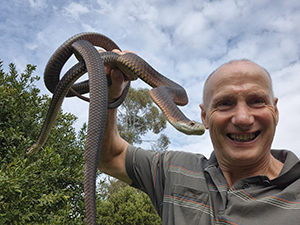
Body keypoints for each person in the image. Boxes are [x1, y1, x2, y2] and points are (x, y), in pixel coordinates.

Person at [98, 49, 300, 224]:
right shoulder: (173, 170)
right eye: (224, 104)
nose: (243, 119)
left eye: (256, 101)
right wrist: (108, 97)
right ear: (204, 117)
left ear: (275, 111)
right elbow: (109, 156)